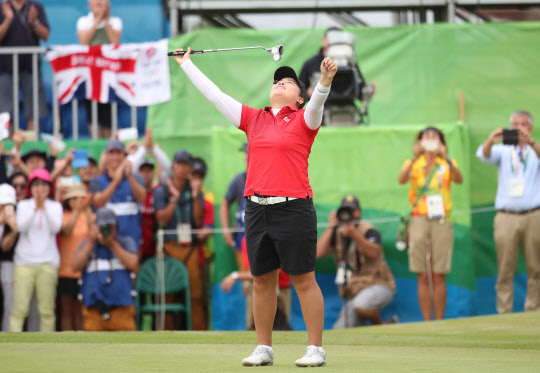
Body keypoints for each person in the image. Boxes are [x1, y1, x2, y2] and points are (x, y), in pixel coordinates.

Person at [173, 46, 337, 367]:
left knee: (303, 278)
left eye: (289, 83)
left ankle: (315, 348)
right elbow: (216, 96)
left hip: (294, 208)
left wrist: (325, 81)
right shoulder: (254, 119)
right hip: (257, 210)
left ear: (299, 98)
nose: (281, 83)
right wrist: (187, 64)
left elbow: (317, 102)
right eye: (277, 81)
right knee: (262, 280)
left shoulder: (305, 119)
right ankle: (264, 347)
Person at [475, 110, 540, 313]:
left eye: (522, 124)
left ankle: (533, 309)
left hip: (533, 215)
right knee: (505, 268)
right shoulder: (503, 149)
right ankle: (504, 311)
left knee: (536, 267)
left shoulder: (534, 149)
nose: (518, 128)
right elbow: (484, 155)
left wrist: (530, 142)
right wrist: (490, 140)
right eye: (515, 124)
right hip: (506, 216)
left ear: (529, 127)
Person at [398, 127, 463, 321]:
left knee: (438, 272)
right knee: (422, 273)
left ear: (441, 142)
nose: (430, 140)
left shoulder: (446, 163)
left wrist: (447, 157)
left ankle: (439, 320)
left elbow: (459, 180)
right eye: (426, 137)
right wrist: (414, 156)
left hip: (441, 218)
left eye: (434, 137)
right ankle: (427, 321)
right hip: (418, 217)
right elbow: (401, 179)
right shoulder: (413, 162)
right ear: (419, 141)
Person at [317, 195, 396, 327]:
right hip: (353, 292)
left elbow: (374, 252)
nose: (350, 214)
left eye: (352, 210)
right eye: (345, 210)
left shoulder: (368, 230)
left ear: (359, 211)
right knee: (340, 329)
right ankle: (383, 325)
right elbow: (319, 253)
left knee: (361, 305)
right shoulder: (336, 231)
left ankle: (380, 325)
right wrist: (331, 227)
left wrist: (354, 234)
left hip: (378, 284)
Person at [153, 149, 205, 330]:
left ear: (190, 168)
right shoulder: (162, 191)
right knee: (166, 294)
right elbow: (161, 219)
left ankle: (200, 334)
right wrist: (174, 199)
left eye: (186, 164)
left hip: (189, 247)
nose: (182, 168)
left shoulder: (195, 190)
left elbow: (198, 221)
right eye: (179, 164)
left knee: (196, 295)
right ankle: (165, 334)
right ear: (173, 166)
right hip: (168, 247)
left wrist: (197, 196)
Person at [9, 168, 63, 332]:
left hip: (47, 263)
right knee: (19, 309)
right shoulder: (24, 205)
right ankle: (14, 346)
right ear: (30, 187)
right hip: (24, 263)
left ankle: (48, 350)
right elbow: (21, 227)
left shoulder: (55, 206)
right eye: (36, 183)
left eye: (44, 183)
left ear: (49, 187)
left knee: (46, 311)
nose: (40, 187)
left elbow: (56, 228)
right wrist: (35, 208)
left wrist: (43, 208)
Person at [71, 207, 138, 331]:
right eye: (102, 226)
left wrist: (112, 244)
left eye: (110, 226)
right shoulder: (88, 245)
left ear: (117, 227)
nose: (106, 230)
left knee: (128, 348)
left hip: (122, 310)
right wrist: (91, 242)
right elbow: (75, 266)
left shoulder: (125, 243)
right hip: (94, 312)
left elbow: (133, 264)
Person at [221, 237, 292, 331]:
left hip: (281, 289)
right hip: (258, 290)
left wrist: (235, 276)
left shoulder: (278, 236)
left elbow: (264, 273)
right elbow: (254, 271)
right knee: (255, 330)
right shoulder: (247, 239)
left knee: (280, 331)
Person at [0, 0, 50, 132]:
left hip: (31, 67)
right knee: (5, 113)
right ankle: (5, 148)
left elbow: (45, 36)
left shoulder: (35, 7)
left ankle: (31, 146)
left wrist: (35, 22)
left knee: (34, 112)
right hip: (5, 68)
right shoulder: (2, 8)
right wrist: (8, 19)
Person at [76, 0, 122, 138]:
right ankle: (96, 142)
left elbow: (115, 40)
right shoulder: (84, 21)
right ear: (89, 4)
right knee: (92, 112)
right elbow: (84, 41)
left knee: (108, 112)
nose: (99, 4)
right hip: (90, 74)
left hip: (109, 74)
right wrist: (97, 21)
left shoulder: (115, 21)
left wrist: (105, 19)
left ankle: (110, 143)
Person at [90, 139, 146, 247]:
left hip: (133, 240)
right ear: (106, 156)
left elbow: (142, 198)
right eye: (111, 153)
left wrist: (129, 176)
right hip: (106, 240)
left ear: (124, 156)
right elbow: (98, 203)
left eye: (118, 153)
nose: (115, 157)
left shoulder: (136, 178)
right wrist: (116, 181)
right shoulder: (97, 181)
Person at [57, 184, 92, 331]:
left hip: (85, 271)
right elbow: (67, 230)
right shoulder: (63, 216)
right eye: (73, 198)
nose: (76, 201)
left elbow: (93, 232)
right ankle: (67, 344)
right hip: (65, 270)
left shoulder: (90, 216)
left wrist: (87, 207)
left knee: (81, 311)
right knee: (67, 311)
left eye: (80, 198)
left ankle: (82, 343)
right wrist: (77, 211)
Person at [299, 27, 367, 101]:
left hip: (347, 108)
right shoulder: (310, 64)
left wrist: (367, 92)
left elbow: (360, 90)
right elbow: (300, 93)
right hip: (322, 109)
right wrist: (308, 93)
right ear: (324, 40)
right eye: (332, 39)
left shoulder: (350, 63)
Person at [219, 142, 248, 270]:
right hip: (242, 241)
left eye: (250, 153)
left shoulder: (268, 177)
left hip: (266, 241)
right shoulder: (239, 180)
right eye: (245, 153)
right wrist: (226, 231)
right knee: (248, 283)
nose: (247, 157)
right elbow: (225, 204)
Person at [0, 183, 17, 331]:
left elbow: (5, 246)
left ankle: (6, 336)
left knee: (9, 303)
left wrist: (13, 228)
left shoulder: (12, 220)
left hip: (7, 265)